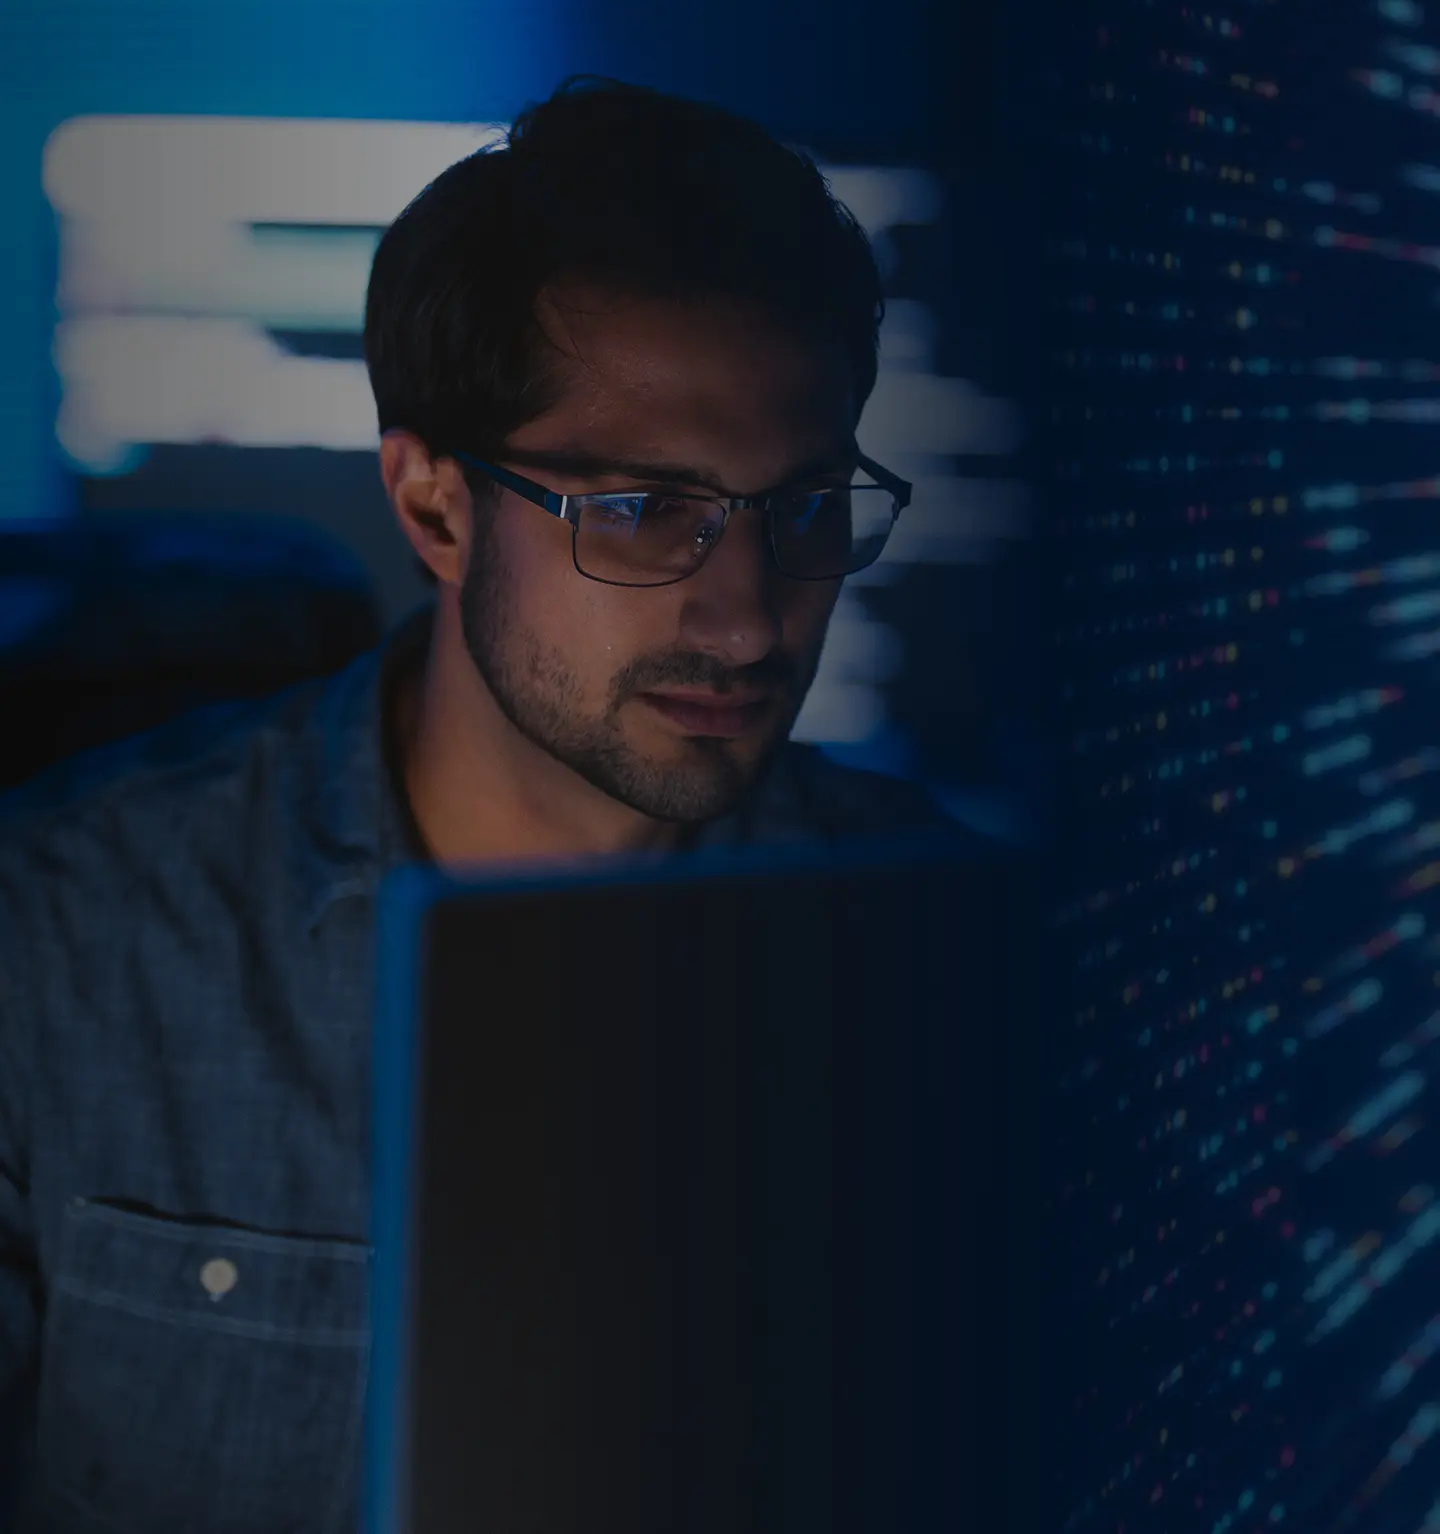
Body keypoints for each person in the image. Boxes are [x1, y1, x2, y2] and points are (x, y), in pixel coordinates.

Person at [0, 77, 953, 1531]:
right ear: (436, 508)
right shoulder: (62, 943)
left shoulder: (947, 959)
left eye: (805, 506)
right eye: (644, 508)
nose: (756, 619)